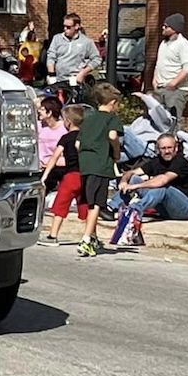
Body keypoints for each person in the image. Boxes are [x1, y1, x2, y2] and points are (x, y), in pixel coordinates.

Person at [75, 82, 124, 258]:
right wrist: (116, 153)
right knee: (96, 203)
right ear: (112, 103)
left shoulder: (88, 119)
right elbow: (112, 136)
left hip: (85, 164)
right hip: (101, 164)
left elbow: (77, 143)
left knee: (89, 201)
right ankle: (86, 239)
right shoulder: (111, 119)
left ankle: (93, 235)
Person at [112, 134, 188, 220]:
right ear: (158, 149)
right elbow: (131, 172)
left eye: (170, 147)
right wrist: (124, 181)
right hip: (165, 209)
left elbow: (163, 180)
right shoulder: (156, 161)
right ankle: (112, 206)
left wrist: (136, 186)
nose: (167, 151)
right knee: (134, 178)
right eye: (163, 148)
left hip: (187, 209)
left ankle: (134, 210)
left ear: (176, 148)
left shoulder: (180, 162)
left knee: (162, 188)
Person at [38, 105, 86, 246]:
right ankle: (90, 235)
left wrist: (45, 175)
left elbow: (54, 157)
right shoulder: (85, 137)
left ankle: (53, 236)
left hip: (70, 175)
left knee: (61, 206)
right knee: (85, 206)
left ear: (68, 122)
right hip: (84, 175)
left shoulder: (65, 138)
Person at [151, 13, 188, 118]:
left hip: (176, 91)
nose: (163, 28)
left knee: (173, 122)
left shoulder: (184, 45)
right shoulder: (163, 43)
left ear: (174, 29)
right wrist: (154, 79)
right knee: (157, 121)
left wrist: (173, 83)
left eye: (166, 26)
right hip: (159, 89)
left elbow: (187, 69)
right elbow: (159, 63)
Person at [45, 13, 101, 87]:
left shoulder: (86, 42)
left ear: (76, 26)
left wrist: (83, 73)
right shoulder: (57, 39)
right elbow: (51, 56)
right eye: (64, 26)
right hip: (58, 80)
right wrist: (51, 74)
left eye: (68, 27)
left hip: (75, 80)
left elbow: (97, 59)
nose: (65, 29)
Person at [36, 96, 67, 183]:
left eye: (42, 109)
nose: (39, 111)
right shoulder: (38, 126)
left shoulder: (64, 128)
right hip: (40, 166)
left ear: (49, 113)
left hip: (59, 166)